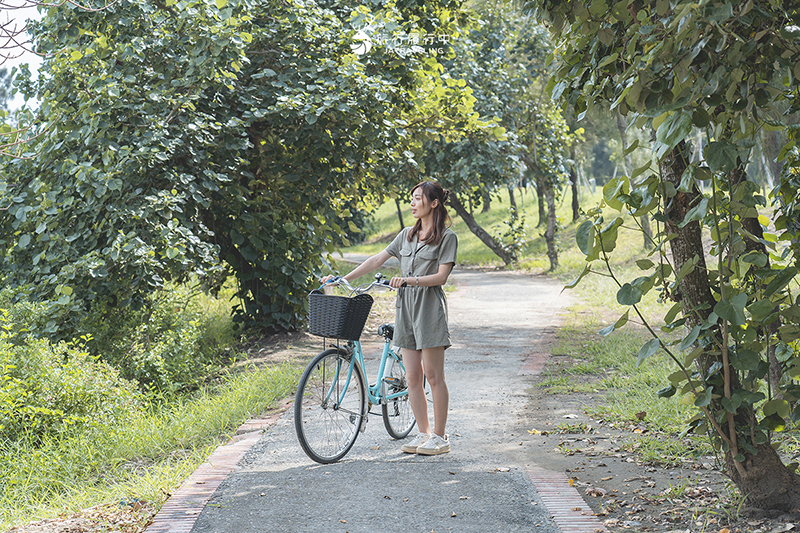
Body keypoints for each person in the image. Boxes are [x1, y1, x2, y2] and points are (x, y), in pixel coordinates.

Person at [321, 181, 458, 456]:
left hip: (429, 308)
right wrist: (342, 278)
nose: (412, 203)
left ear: (433, 203)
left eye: (418, 198)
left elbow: (442, 277)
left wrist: (410, 280)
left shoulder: (446, 237)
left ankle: (440, 438)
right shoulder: (406, 235)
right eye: (411, 198)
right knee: (412, 376)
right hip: (405, 309)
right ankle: (424, 433)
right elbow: (376, 260)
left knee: (433, 375)